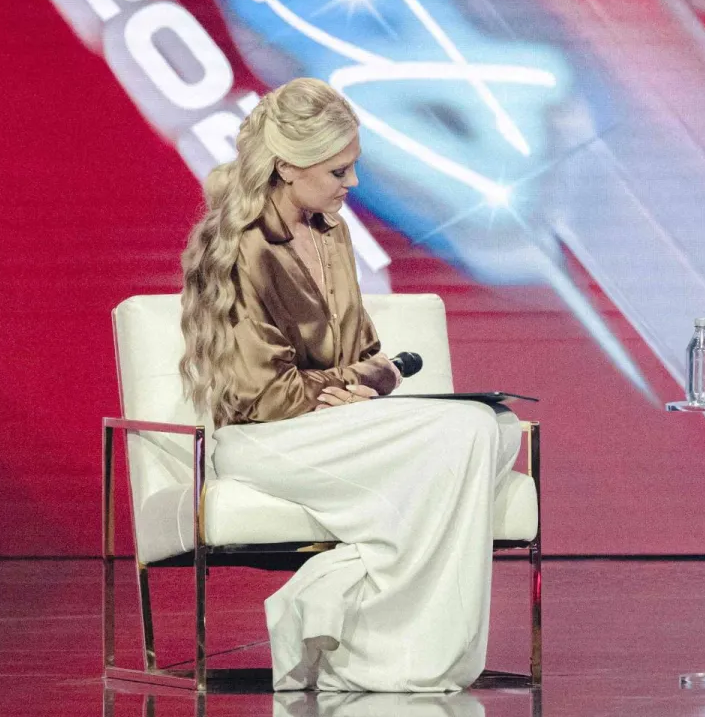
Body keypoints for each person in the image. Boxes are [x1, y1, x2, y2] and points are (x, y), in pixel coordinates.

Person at [179, 78, 523, 692]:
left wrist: (360, 385)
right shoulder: (242, 247)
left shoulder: (331, 232)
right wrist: (369, 379)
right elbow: (268, 395)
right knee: (468, 431)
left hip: (333, 424)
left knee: (495, 428)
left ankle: (326, 593)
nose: (353, 184)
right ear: (288, 164)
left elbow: (361, 353)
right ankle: (390, 659)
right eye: (339, 170)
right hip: (268, 438)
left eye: (353, 166)